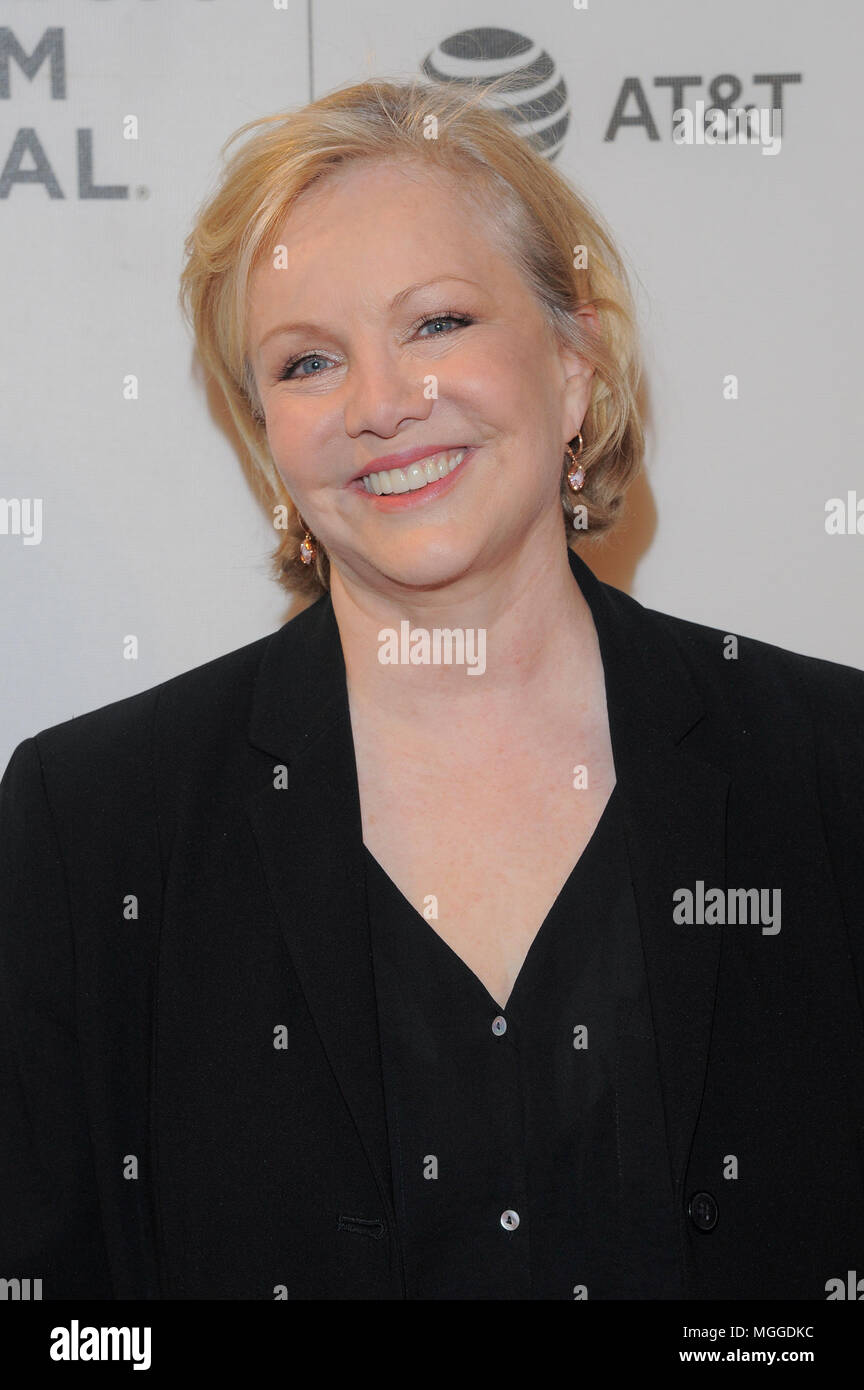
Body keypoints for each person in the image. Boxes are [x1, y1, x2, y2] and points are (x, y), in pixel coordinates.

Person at [1, 76, 862, 1302]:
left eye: (439, 323)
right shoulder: (94, 825)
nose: (381, 406)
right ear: (267, 443)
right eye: (308, 361)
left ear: (575, 363)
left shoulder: (831, 770)